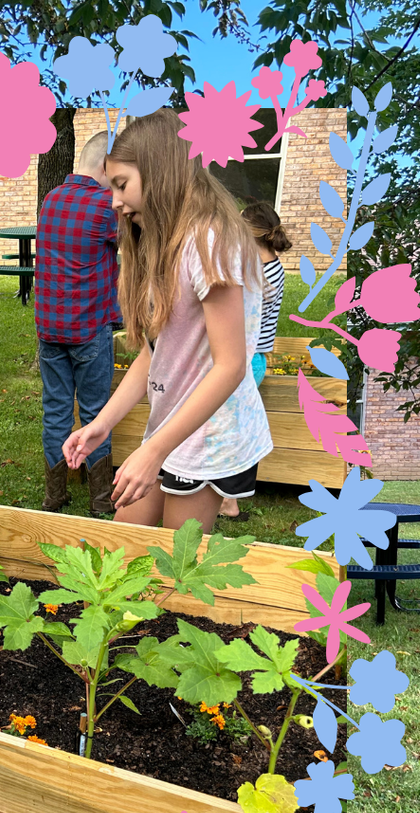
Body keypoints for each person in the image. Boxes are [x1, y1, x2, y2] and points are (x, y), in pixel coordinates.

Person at [63, 109, 274, 536]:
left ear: (160, 172)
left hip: (208, 434)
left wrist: (154, 451)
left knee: (174, 566)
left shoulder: (211, 241)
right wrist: (102, 423)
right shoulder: (164, 244)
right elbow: (154, 353)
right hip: (170, 427)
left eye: (122, 185)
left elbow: (231, 365)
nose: (114, 201)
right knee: (124, 542)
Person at [35, 131, 122, 516]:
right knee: (96, 413)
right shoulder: (105, 206)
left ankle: (54, 496)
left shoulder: (51, 199)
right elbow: (139, 241)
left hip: (50, 329)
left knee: (55, 410)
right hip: (89, 328)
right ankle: (101, 501)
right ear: (106, 167)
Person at [218, 201, 292, 522]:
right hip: (252, 359)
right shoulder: (270, 267)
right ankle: (225, 499)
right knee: (231, 428)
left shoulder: (258, 275)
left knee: (230, 430)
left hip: (245, 361)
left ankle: (228, 502)